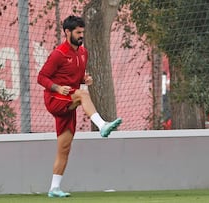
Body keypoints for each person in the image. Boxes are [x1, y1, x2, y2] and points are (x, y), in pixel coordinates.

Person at [37, 15, 122, 198]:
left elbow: (76, 74)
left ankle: (54, 188)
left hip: (70, 102)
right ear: (67, 32)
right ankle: (102, 126)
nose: (81, 35)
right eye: (78, 32)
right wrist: (58, 87)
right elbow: (41, 77)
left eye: (83, 32)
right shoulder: (58, 54)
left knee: (64, 147)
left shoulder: (83, 53)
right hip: (55, 99)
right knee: (83, 94)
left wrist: (85, 78)